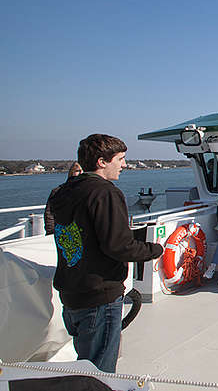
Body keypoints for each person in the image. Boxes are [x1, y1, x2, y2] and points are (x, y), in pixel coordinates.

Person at [50, 134, 163, 373]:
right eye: (120, 159)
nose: (124, 165)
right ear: (102, 161)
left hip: (71, 295)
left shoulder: (64, 192)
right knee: (98, 372)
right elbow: (118, 246)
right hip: (99, 295)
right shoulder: (104, 193)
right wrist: (155, 249)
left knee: (85, 363)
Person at [45, 161, 83, 235]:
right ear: (71, 172)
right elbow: (49, 213)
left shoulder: (90, 191)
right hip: (62, 233)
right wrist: (51, 232)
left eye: (83, 171)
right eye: (77, 171)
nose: (81, 173)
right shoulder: (58, 191)